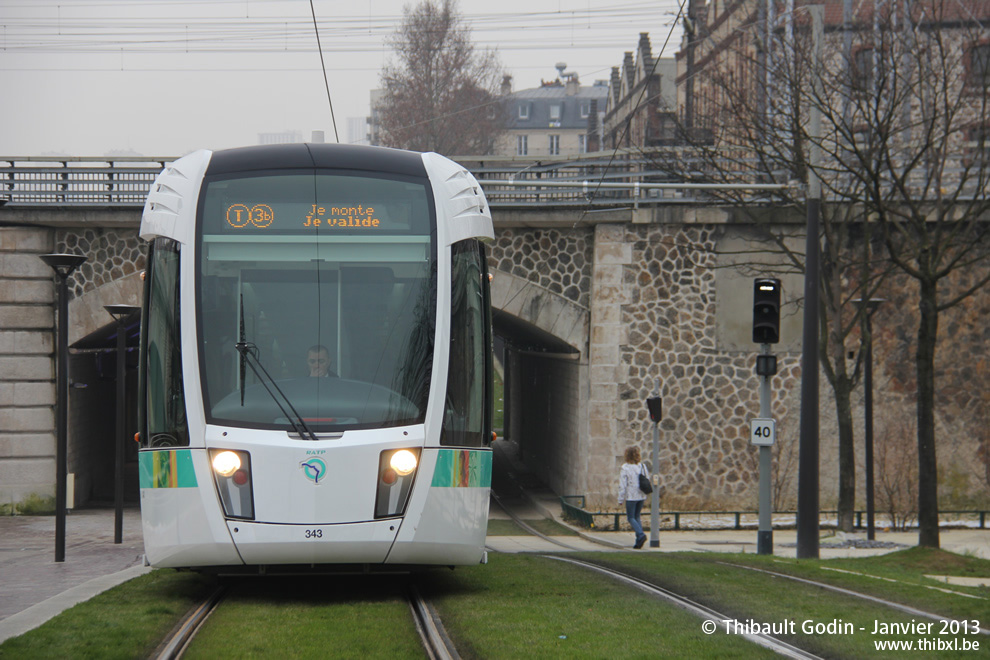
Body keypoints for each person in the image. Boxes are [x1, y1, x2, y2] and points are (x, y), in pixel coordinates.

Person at [618, 446, 648, 549]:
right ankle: (638, 541)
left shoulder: (625, 468)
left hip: (631, 496)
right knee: (637, 516)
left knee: (631, 517)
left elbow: (622, 485)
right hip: (641, 495)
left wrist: (620, 499)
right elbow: (646, 479)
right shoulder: (642, 466)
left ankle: (640, 535)